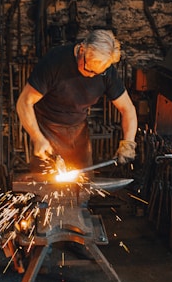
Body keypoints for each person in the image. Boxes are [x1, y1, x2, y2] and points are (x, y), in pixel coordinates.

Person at [16, 28, 138, 173]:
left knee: (83, 186)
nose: (93, 76)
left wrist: (128, 143)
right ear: (81, 50)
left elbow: (127, 109)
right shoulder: (54, 62)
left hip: (79, 131)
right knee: (46, 187)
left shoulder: (107, 73)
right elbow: (24, 102)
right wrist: (37, 138)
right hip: (47, 129)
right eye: (90, 70)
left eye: (99, 72)